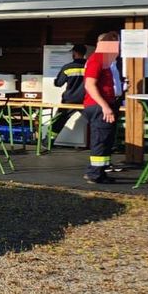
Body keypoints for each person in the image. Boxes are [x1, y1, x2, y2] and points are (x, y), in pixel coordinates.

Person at [82, 32, 122, 183]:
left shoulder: (104, 60)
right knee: (101, 139)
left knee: (105, 140)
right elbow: (90, 85)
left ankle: (100, 172)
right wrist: (105, 106)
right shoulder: (97, 59)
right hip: (99, 106)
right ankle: (94, 173)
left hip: (104, 104)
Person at [50, 44, 88, 133]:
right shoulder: (90, 66)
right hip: (86, 99)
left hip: (70, 100)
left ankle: (50, 139)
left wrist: (55, 80)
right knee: (94, 121)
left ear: (74, 53)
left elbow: (58, 83)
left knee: (58, 123)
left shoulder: (68, 67)